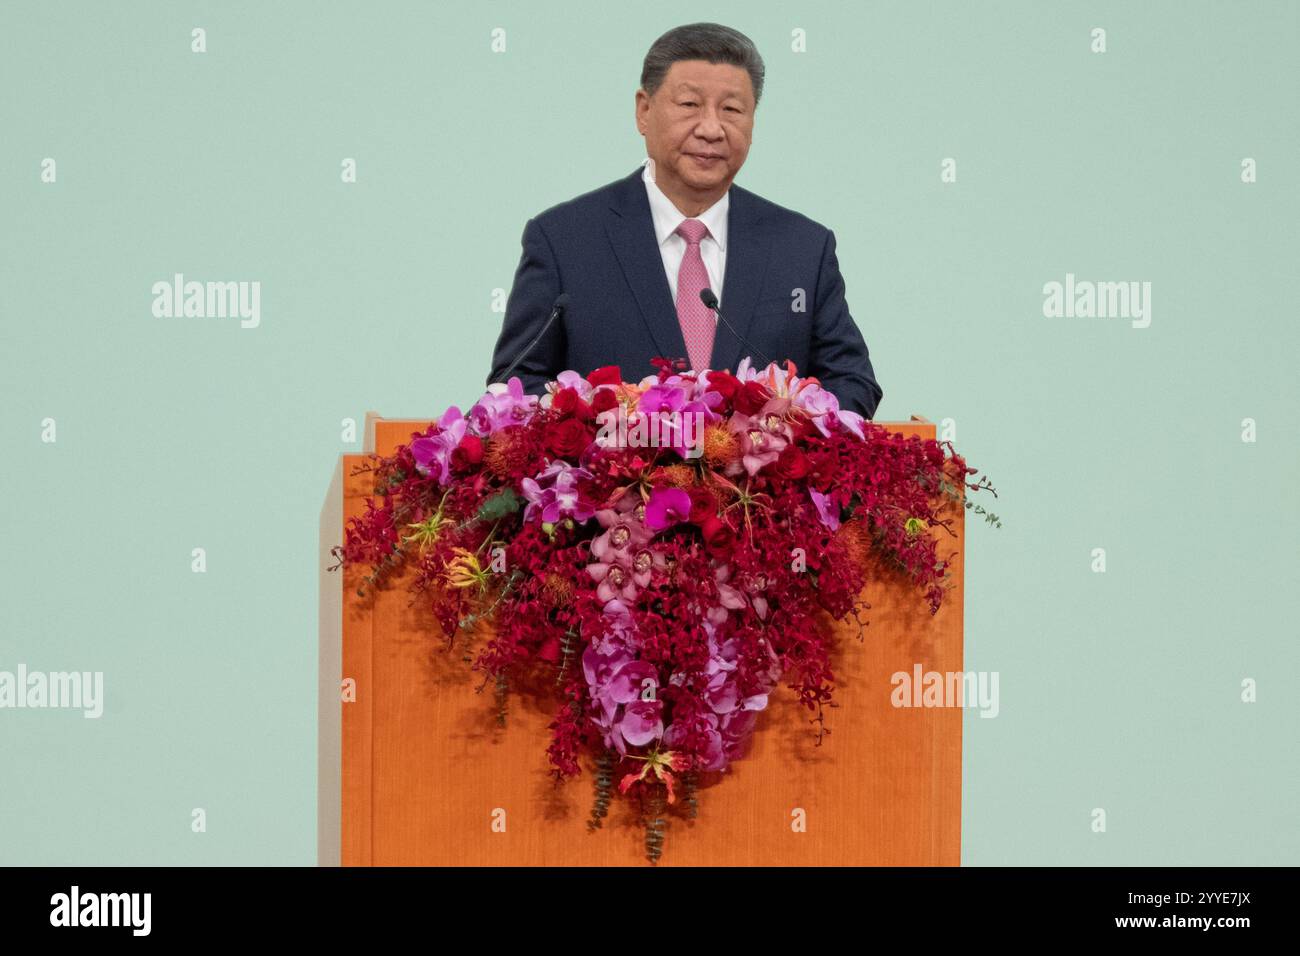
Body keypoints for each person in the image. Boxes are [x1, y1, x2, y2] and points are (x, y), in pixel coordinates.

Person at [487, 22, 883, 419]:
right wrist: (611, 434)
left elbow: (853, 383)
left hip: (755, 481)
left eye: (731, 109)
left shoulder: (802, 247)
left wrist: (779, 433)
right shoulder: (564, 240)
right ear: (644, 111)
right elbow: (516, 382)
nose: (711, 129)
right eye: (690, 104)